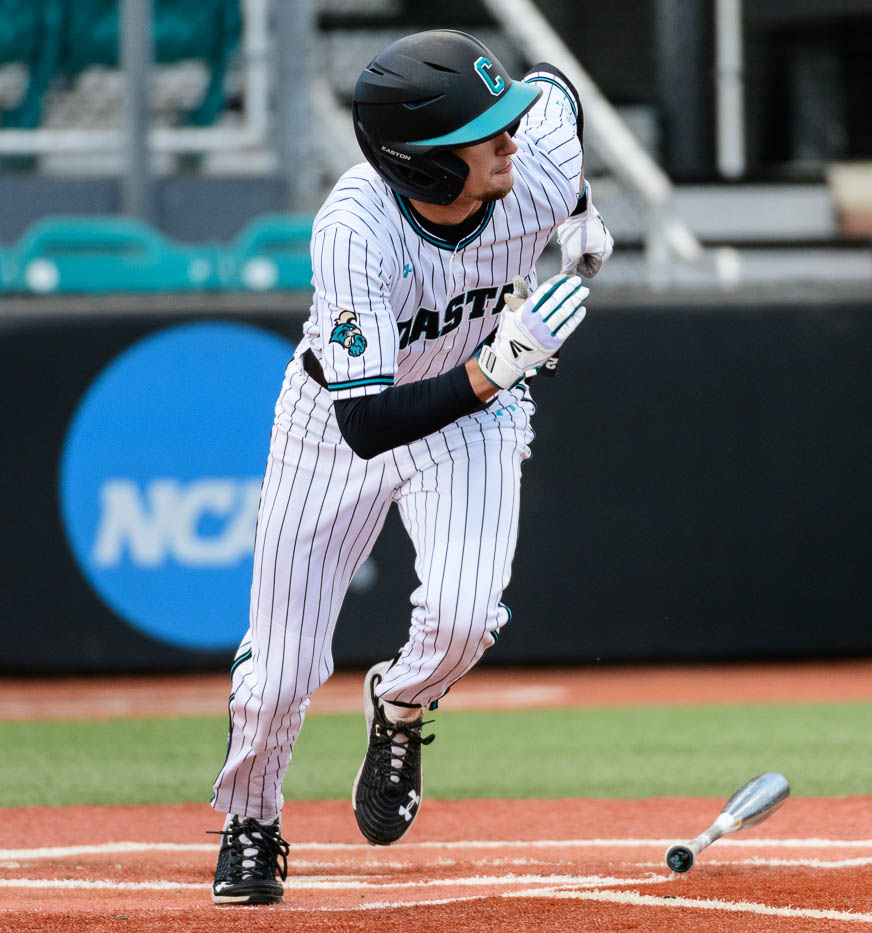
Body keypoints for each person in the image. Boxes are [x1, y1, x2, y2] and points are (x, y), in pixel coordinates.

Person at [207, 29, 614, 905]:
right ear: (421, 163)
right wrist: (497, 366)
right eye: (483, 131)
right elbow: (365, 423)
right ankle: (251, 818)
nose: (510, 138)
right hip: (337, 421)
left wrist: (579, 208)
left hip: (472, 417)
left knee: (466, 618)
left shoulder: (533, 163)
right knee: (280, 673)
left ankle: (399, 704)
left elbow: (555, 89)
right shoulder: (354, 229)